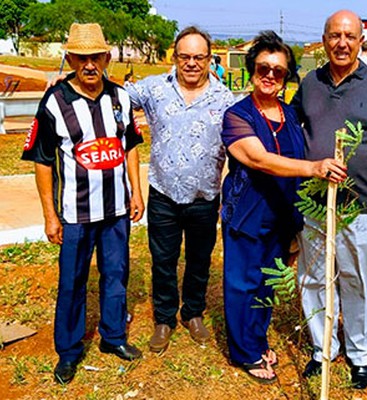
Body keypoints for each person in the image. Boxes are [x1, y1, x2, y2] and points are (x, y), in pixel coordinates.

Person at [292, 9, 367, 390]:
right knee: (313, 278)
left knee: (358, 280)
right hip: (314, 204)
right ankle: (322, 347)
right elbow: (294, 130)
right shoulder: (309, 83)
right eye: (334, 36)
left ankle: (361, 355)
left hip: (361, 206)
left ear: (361, 41)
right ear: (324, 40)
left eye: (349, 36)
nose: (341, 43)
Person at [220, 31, 346, 384]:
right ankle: (245, 352)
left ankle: (257, 340)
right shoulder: (237, 115)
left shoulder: (290, 114)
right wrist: (314, 167)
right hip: (247, 216)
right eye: (264, 67)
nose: (271, 75)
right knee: (243, 284)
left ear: (287, 75)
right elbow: (259, 159)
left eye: (279, 70)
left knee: (268, 283)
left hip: (282, 214)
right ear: (251, 69)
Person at [21, 23, 144, 384]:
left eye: (96, 57)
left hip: (117, 210)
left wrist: (136, 192)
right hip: (75, 214)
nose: (90, 65)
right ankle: (70, 351)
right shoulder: (55, 103)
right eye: (82, 58)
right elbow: (42, 160)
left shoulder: (121, 98)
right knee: (72, 282)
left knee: (116, 276)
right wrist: (49, 215)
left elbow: (131, 147)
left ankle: (113, 337)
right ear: (71, 59)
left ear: (106, 58)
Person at [125, 27, 235, 352]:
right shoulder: (153, 89)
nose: (191, 63)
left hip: (204, 197)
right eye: (184, 57)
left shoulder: (225, 99)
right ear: (174, 57)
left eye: (198, 57)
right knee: (163, 259)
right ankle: (164, 319)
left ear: (209, 59)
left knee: (199, 259)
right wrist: (63, 85)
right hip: (163, 194)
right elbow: (113, 98)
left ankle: (193, 312)